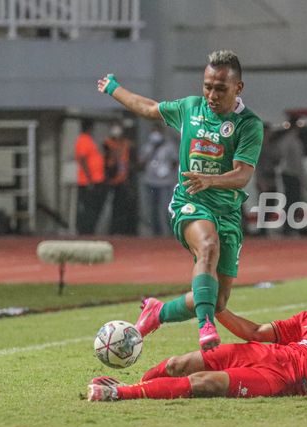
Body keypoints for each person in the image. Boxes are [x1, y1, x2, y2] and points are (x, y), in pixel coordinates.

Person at [87, 253, 307, 401]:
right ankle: (136, 386)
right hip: (266, 353)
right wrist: (216, 308)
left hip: (290, 379)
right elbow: (254, 333)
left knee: (204, 384)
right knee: (179, 363)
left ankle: (119, 393)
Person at [97, 50, 263, 350]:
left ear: (238, 88)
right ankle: (205, 327)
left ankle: (157, 312)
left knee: (218, 300)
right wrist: (113, 88)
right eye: (207, 86)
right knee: (208, 247)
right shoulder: (190, 108)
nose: (211, 94)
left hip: (227, 212)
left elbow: (242, 175)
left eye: (220, 88)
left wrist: (211, 179)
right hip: (190, 203)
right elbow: (148, 107)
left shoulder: (248, 124)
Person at [139, 125, 179, 236]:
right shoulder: (148, 146)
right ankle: (156, 232)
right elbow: (141, 162)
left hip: (165, 182)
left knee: (166, 207)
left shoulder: (169, 146)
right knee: (152, 209)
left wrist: (168, 169)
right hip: (150, 181)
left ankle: (170, 232)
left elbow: (175, 161)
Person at [274, 117, 307, 235]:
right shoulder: (294, 141)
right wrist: (304, 179)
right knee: (294, 200)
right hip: (292, 174)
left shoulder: (283, 140)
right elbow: (297, 162)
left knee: (290, 201)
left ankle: (289, 226)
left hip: (286, 174)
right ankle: (291, 226)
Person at [102, 122, 136, 235]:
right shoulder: (108, 143)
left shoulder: (127, 144)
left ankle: (123, 230)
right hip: (112, 180)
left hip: (124, 180)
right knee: (112, 207)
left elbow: (130, 161)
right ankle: (112, 230)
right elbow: (107, 158)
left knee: (123, 207)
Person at [75, 118, 107, 235]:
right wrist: (89, 179)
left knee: (93, 207)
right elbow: (83, 159)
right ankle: (85, 230)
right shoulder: (83, 140)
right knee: (89, 208)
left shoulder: (88, 140)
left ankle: (89, 230)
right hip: (88, 181)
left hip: (95, 179)